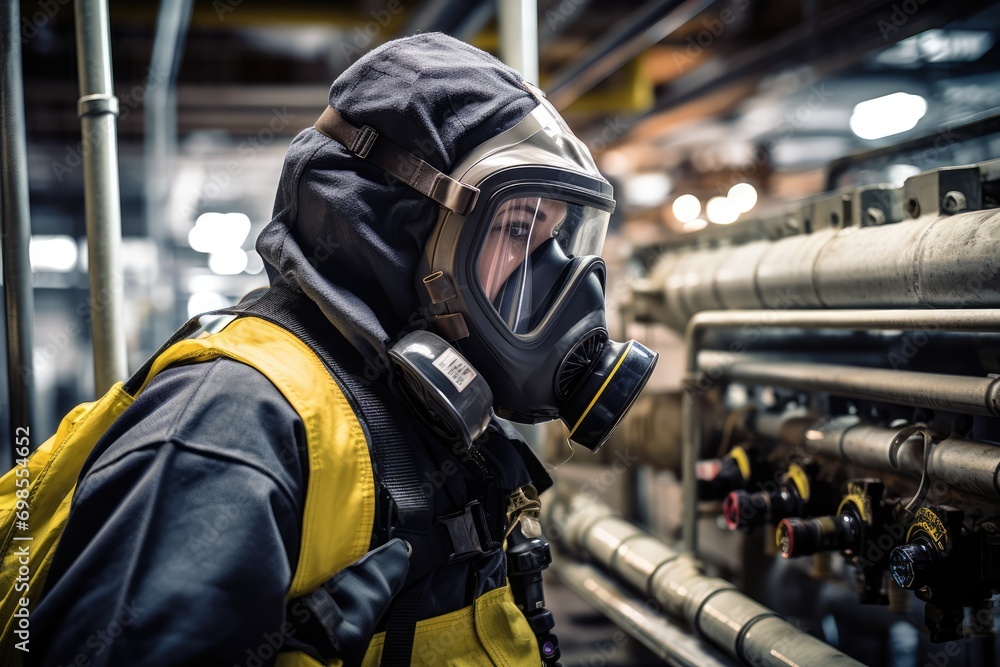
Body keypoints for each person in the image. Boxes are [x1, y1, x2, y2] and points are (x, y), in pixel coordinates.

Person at [29, 33, 656, 666]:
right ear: (399, 224)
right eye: (519, 231)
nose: (551, 275)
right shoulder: (233, 422)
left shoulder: (421, 415)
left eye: (555, 238)